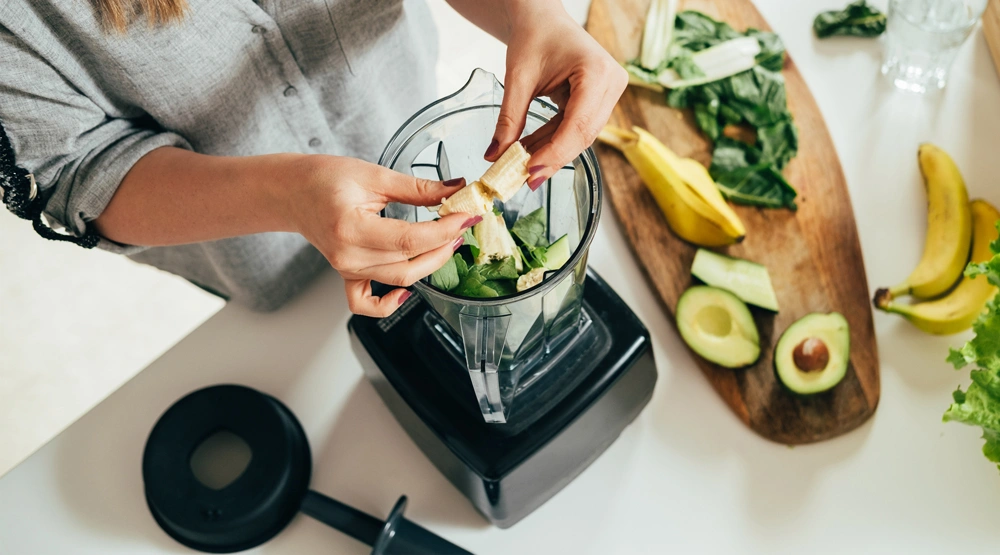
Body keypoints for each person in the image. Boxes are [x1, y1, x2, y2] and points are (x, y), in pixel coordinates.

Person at [0, 0, 626, 316]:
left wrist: (532, 13)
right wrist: (288, 195)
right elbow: (75, 171)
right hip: (253, 244)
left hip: (395, 103)